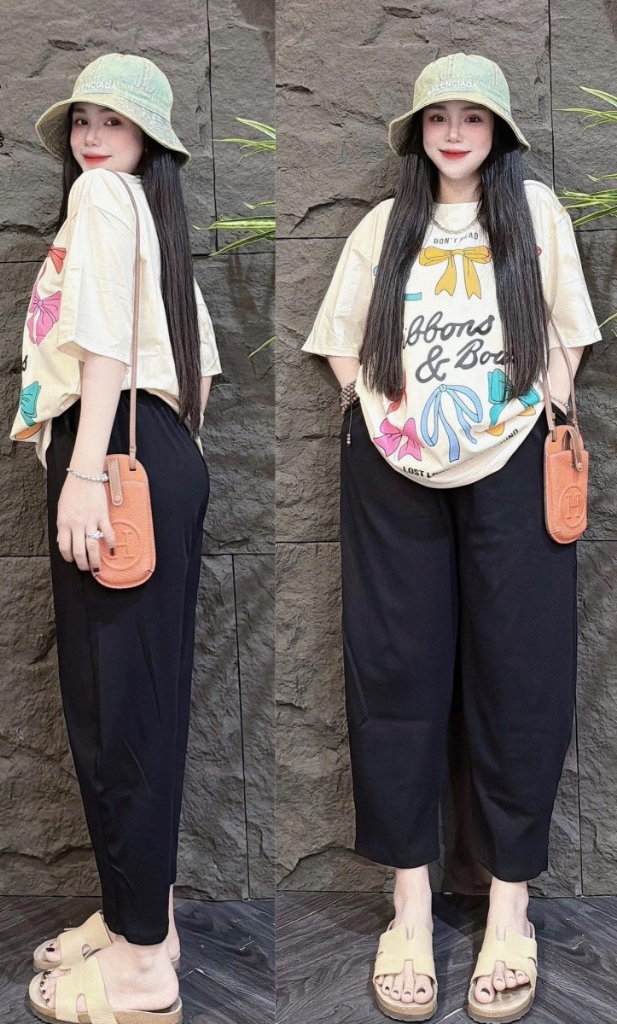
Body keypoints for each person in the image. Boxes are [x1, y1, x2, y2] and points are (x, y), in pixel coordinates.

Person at [303, 52, 599, 1023]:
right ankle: (409, 906)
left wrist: (541, 415)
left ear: (499, 132)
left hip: (516, 464)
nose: (456, 132)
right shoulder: (385, 226)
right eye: (440, 117)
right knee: (395, 673)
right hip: (393, 474)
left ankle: (510, 909)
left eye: (474, 117)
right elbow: (339, 338)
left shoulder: (536, 215)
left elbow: (569, 335)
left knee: (521, 673)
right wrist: (375, 411)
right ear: (418, 132)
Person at [9, 53, 222, 1024]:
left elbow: (99, 345)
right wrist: (158, 460)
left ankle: (139, 972)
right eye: (84, 121)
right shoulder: (150, 216)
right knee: (141, 706)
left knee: (115, 714)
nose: (94, 137)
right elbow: (200, 371)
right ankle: (146, 922)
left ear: (148, 142)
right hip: (159, 452)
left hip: (116, 453)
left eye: (115, 122)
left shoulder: (101, 200)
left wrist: (86, 469)